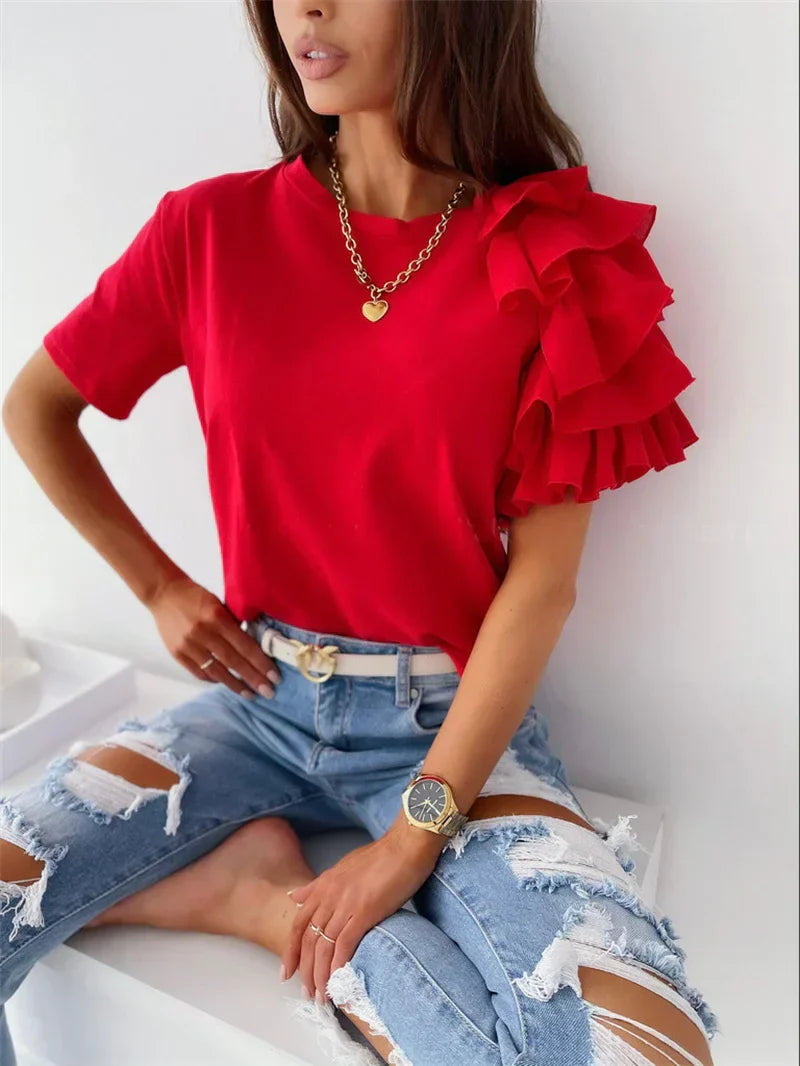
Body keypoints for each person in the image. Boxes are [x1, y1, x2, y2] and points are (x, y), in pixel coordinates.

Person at [0, 2, 719, 1064]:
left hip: (451, 726)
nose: (308, 7)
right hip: (255, 702)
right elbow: (36, 407)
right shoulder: (210, 229)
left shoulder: (549, 261)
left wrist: (409, 840)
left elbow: (542, 585)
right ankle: (261, 900)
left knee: (643, 1050)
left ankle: (266, 904)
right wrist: (157, 586)